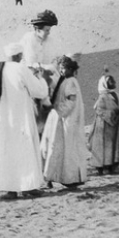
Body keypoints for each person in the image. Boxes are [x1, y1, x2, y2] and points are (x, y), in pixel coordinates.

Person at [0, 43, 49, 199]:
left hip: (3, 119)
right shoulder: (21, 69)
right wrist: (39, 77)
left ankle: (10, 189)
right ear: (20, 55)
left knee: (7, 151)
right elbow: (39, 91)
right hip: (21, 117)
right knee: (24, 149)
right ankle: (28, 187)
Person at [40, 55, 89, 189]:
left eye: (64, 69)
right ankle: (53, 177)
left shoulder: (71, 82)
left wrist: (58, 110)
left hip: (67, 120)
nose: (61, 71)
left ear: (70, 69)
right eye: (60, 69)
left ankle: (68, 178)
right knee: (58, 148)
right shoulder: (66, 81)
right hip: (63, 119)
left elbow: (71, 101)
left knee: (65, 149)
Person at [20, 9, 59, 133]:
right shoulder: (28, 39)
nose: (48, 33)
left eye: (49, 30)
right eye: (46, 30)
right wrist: (44, 68)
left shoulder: (51, 41)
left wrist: (51, 67)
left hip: (47, 79)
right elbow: (27, 63)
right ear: (38, 29)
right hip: (30, 78)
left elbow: (54, 60)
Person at [87, 71, 119, 174]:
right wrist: (113, 112)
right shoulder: (103, 97)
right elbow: (99, 110)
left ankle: (111, 166)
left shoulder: (117, 95)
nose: (113, 82)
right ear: (105, 84)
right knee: (103, 146)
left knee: (113, 145)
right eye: (110, 81)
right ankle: (100, 167)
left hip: (115, 124)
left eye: (113, 80)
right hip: (103, 125)